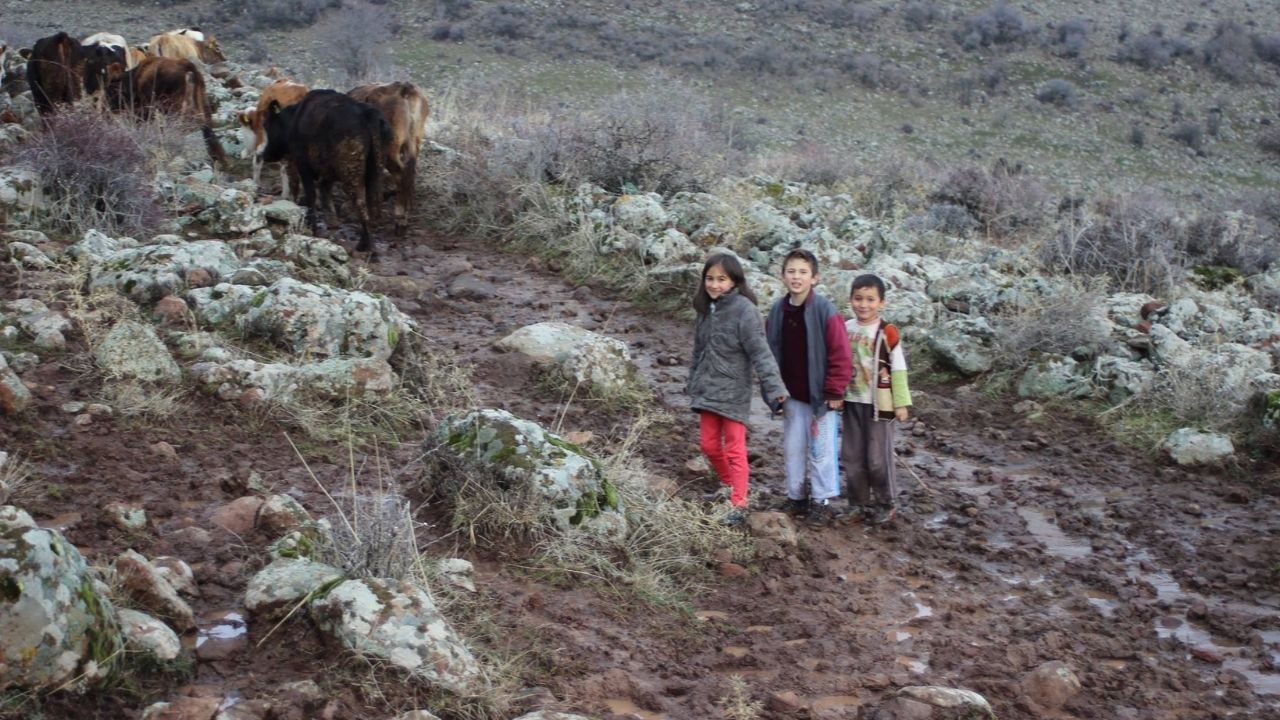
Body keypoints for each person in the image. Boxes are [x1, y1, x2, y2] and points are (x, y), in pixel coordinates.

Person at [687, 253, 788, 526]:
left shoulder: (745, 310)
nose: (715, 284)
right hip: (708, 390)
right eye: (710, 278)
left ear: (734, 281)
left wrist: (775, 387)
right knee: (708, 446)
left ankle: (739, 502)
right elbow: (699, 350)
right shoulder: (705, 310)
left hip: (734, 391)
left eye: (722, 279)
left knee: (734, 448)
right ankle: (728, 484)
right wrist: (693, 380)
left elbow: (761, 353)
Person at [765, 248, 852, 525]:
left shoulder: (825, 311)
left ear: (814, 278)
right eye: (791, 271)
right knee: (793, 447)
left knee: (821, 450)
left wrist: (835, 391)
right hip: (791, 395)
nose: (796, 277)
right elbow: (769, 352)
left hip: (820, 398)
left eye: (803, 272)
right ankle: (796, 496)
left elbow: (840, 353)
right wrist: (773, 391)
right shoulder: (778, 310)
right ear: (783, 276)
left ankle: (821, 500)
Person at [842, 273, 912, 525]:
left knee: (877, 457)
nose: (864, 304)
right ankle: (858, 503)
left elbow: (899, 368)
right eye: (858, 298)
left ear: (882, 303)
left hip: (879, 406)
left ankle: (886, 502)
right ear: (850, 300)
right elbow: (836, 362)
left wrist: (901, 403)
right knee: (851, 455)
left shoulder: (887, 332)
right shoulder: (845, 328)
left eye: (871, 299)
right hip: (851, 401)